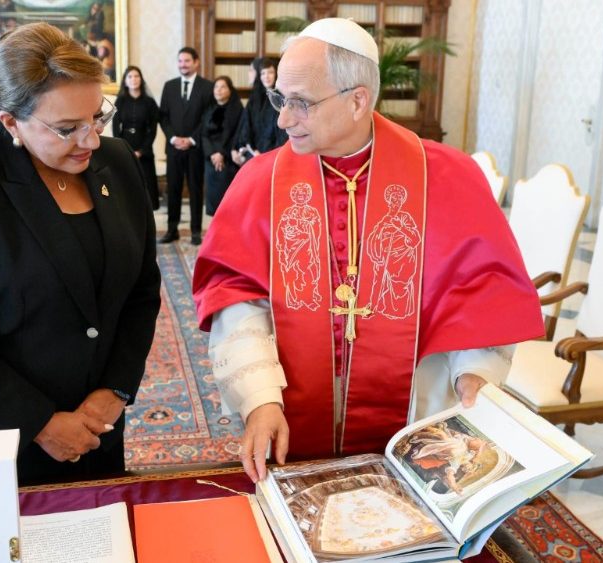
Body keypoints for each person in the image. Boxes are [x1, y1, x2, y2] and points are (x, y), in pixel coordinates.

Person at [192, 19, 544, 483]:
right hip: (292, 425)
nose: (281, 119)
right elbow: (235, 295)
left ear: (358, 100)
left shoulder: (445, 176)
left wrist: (473, 375)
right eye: (280, 99)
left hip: (415, 423)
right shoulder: (261, 181)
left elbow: (480, 292)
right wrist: (259, 398)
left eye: (300, 103)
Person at [0, 22, 161, 485]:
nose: (91, 140)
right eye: (67, 129)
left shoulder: (116, 163)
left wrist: (116, 388)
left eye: (97, 117)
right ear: (10, 122)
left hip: (91, 427)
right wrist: (37, 422)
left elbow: (140, 289)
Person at [158, 47, 213, 245]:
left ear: (196, 62)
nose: (183, 64)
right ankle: (172, 229)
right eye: (180, 61)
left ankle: (196, 231)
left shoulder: (207, 87)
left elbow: (209, 118)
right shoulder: (169, 86)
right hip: (173, 148)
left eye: (187, 61)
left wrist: (191, 139)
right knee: (173, 189)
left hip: (195, 148)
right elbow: (163, 116)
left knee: (195, 189)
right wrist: (173, 138)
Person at [113, 66, 160, 209]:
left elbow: (152, 129)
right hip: (125, 146)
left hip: (144, 147)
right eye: (130, 77)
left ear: (141, 79)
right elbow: (115, 127)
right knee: (127, 185)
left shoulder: (150, 103)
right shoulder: (120, 101)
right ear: (125, 81)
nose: (134, 79)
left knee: (147, 186)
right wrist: (123, 148)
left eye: (136, 76)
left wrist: (142, 150)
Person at [200, 76, 243, 216]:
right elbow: (204, 134)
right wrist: (212, 153)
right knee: (213, 204)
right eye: (216, 87)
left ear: (230, 90)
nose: (219, 90)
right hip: (210, 159)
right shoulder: (209, 109)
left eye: (223, 87)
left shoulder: (237, 109)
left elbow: (235, 135)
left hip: (228, 160)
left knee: (227, 203)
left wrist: (221, 153)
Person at [232, 58, 287, 167]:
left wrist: (270, 154)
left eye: (270, 72)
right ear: (259, 76)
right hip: (254, 154)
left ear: (276, 73)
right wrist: (254, 151)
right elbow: (246, 126)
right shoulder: (254, 98)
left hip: (276, 155)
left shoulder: (282, 98)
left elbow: (283, 131)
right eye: (263, 73)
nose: (266, 76)